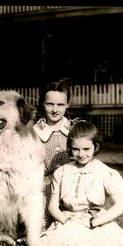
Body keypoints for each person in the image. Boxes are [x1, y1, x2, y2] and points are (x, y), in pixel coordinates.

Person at [40, 121, 123, 246]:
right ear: (70, 148)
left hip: (95, 219)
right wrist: (63, 218)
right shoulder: (62, 172)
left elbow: (122, 205)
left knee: (107, 241)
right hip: (70, 219)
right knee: (54, 240)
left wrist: (94, 222)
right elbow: (53, 206)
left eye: (86, 149)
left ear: (95, 147)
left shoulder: (104, 172)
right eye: (75, 149)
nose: (81, 154)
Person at [32, 78, 77, 228]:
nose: (55, 109)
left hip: (70, 186)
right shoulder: (36, 131)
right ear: (43, 104)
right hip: (44, 187)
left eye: (60, 105)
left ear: (68, 105)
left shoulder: (74, 130)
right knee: (39, 224)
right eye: (50, 104)